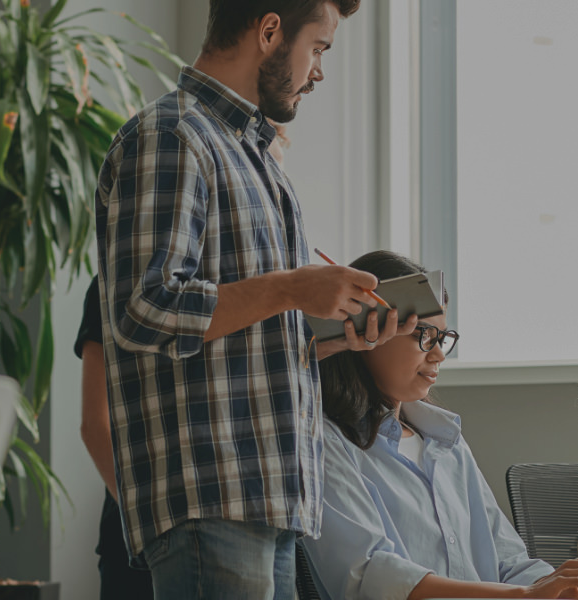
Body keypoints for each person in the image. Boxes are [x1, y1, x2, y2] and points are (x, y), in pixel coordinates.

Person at [92, 0, 403, 596]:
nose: (319, 72)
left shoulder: (256, 157)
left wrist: (327, 336)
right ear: (269, 31)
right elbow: (146, 308)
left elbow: (238, 331)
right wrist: (293, 287)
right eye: (319, 48)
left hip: (269, 497)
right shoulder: (171, 135)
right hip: (215, 495)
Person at [301, 251, 578, 600]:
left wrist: (564, 588)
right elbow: (368, 577)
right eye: (423, 335)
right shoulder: (325, 443)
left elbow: (510, 561)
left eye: (443, 338)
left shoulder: (445, 442)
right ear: (364, 333)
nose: (438, 354)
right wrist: (524, 596)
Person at [76, 123, 288, 600]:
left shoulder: (261, 299)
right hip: (155, 519)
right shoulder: (122, 287)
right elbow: (96, 424)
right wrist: (145, 516)